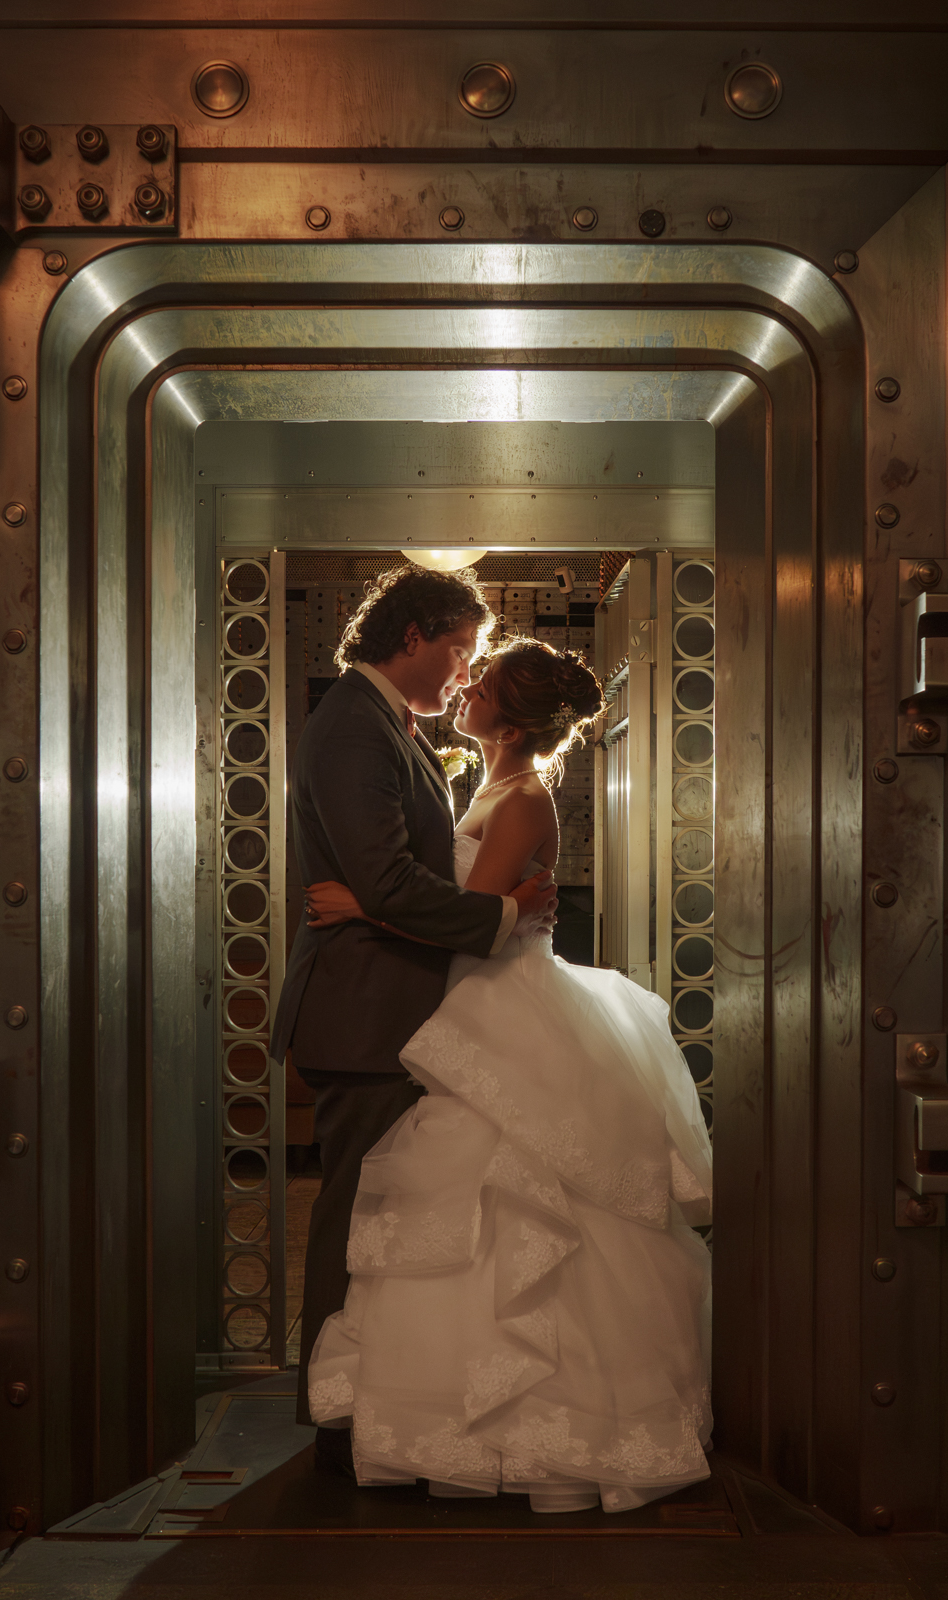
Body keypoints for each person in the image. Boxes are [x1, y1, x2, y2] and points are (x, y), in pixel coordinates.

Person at [300, 634, 715, 1512]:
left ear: (513, 715)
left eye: (480, 682)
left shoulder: (523, 799)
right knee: (461, 1209)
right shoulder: (486, 781)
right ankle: (441, 1416)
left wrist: (356, 902)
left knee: (522, 1200)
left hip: (502, 999)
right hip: (477, 999)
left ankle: (532, 1425)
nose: (465, 687)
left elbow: (469, 921)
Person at [269, 564, 560, 1479]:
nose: (463, 672)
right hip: (365, 1012)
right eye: (460, 649)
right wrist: (507, 915)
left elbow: (386, 886)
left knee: (385, 1218)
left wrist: (375, 902)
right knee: (355, 1217)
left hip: (396, 1004)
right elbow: (392, 882)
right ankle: (334, 1418)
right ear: (413, 639)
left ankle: (376, 1404)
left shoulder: (382, 726)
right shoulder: (355, 729)